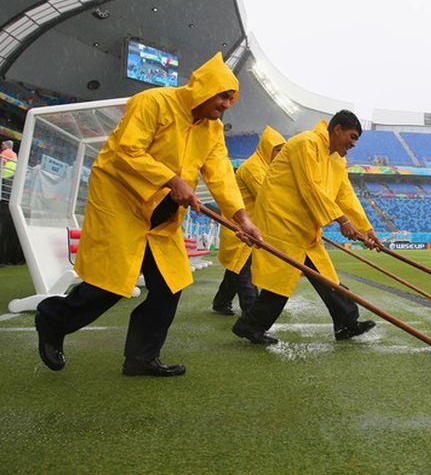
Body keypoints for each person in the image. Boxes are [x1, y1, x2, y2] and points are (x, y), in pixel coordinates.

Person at [34, 52, 261, 377]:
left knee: (170, 284)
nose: (227, 104)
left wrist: (242, 218)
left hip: (163, 210)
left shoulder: (212, 130)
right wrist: (171, 180)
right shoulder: (153, 102)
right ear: (205, 88)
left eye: (231, 99)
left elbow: (221, 173)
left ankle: (141, 357)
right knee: (109, 284)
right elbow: (127, 150)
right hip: (120, 199)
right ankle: (52, 319)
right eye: (224, 95)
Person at [231, 110, 382, 344]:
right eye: (351, 137)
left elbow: (345, 194)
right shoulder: (306, 143)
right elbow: (310, 187)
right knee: (284, 280)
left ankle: (344, 322)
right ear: (337, 130)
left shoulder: (337, 160)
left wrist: (366, 229)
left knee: (324, 276)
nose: (353, 144)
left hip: (304, 226)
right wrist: (341, 220)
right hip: (282, 221)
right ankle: (345, 322)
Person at [211, 125, 285, 316]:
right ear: (267, 148)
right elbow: (269, 199)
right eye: (277, 149)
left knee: (237, 268)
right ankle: (252, 317)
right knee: (245, 272)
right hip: (239, 227)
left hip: (249, 227)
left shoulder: (267, 169)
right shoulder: (254, 168)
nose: (280, 154)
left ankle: (221, 302)